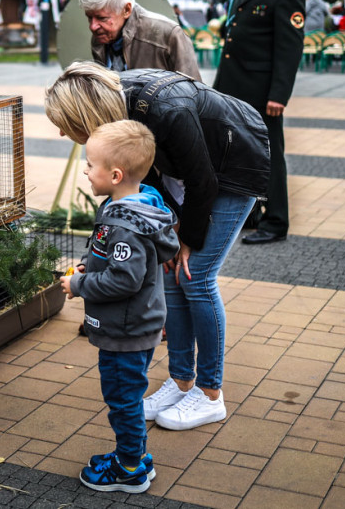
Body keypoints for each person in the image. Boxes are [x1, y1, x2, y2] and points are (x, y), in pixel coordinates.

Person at [45, 62, 270, 432]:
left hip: (233, 163)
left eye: (64, 122)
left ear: (85, 115)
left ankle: (211, 395)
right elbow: (148, 174)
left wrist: (186, 239)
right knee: (170, 277)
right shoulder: (122, 114)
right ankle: (182, 381)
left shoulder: (167, 111)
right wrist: (169, 226)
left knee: (195, 277)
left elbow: (203, 181)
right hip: (194, 171)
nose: (59, 131)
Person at [60, 120, 179, 494]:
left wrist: (78, 284)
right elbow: (114, 260)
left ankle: (129, 469)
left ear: (114, 174)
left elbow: (124, 279)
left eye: (90, 163)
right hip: (132, 324)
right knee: (126, 395)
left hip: (125, 331)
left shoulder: (125, 224)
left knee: (122, 399)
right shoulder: (127, 206)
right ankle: (135, 455)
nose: (85, 169)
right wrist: (88, 265)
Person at [213, 0, 305, 246]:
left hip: (263, 93)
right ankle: (251, 214)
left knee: (269, 155)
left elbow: (289, 48)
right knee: (236, 153)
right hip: (234, 87)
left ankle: (276, 221)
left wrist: (279, 94)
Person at [80, 0, 200, 80]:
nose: (93, 26)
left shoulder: (169, 34)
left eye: (102, 18)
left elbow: (195, 93)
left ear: (126, 10)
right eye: (89, 17)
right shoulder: (101, 36)